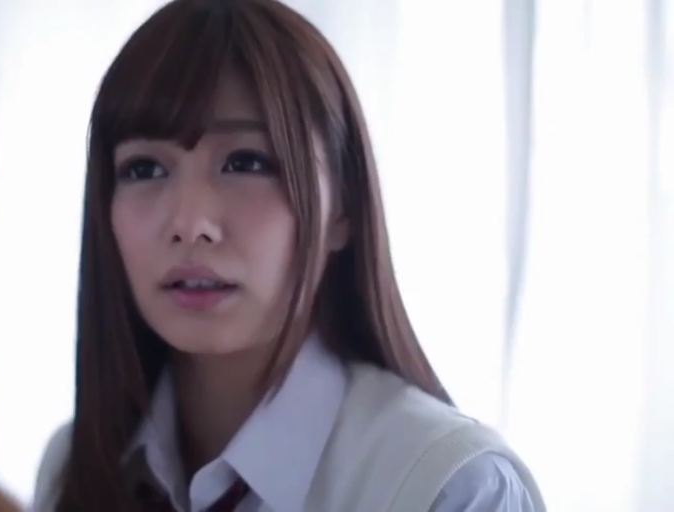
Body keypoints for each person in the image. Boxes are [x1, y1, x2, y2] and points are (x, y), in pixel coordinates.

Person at [31, 0, 545, 510]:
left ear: (342, 208)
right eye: (144, 169)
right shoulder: (78, 464)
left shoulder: (450, 485)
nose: (190, 224)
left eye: (246, 162)